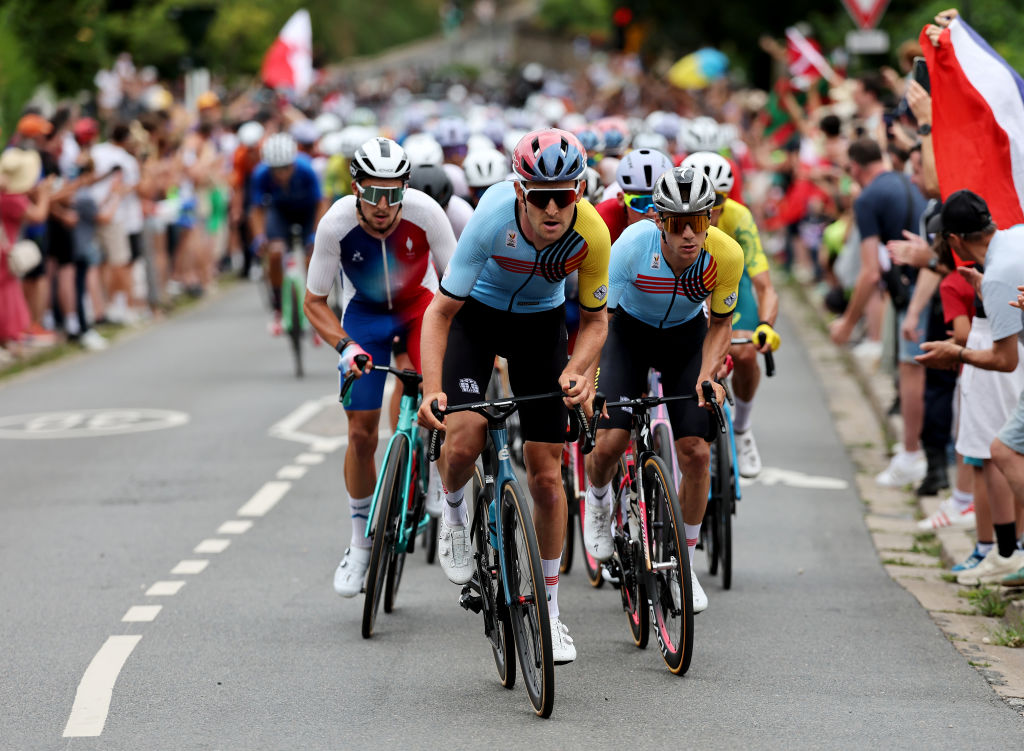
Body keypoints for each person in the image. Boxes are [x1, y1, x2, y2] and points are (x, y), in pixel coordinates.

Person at [418, 128, 611, 665]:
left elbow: (596, 322)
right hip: (476, 319)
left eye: (564, 196)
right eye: (540, 196)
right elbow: (439, 313)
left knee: (547, 475)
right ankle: (454, 515)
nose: (552, 208)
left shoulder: (592, 234)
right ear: (520, 191)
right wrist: (433, 389)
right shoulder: (492, 218)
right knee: (465, 437)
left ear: (578, 192)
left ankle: (549, 610)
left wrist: (578, 370)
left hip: (537, 327)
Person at [582, 166, 744, 615]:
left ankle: (685, 563)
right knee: (611, 440)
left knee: (695, 451)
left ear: (711, 219)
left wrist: (709, 375)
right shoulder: (631, 247)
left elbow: (721, 323)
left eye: (699, 222)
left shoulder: (726, 255)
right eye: (677, 224)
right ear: (658, 221)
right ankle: (597, 501)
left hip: (686, 340)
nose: (689, 235)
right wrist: (592, 383)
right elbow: (600, 321)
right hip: (627, 335)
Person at [303, 137, 457, 599]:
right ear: (356, 189)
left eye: (394, 193)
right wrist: (344, 347)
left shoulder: (427, 213)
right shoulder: (335, 225)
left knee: (440, 406)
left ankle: (445, 504)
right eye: (373, 193)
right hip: (365, 319)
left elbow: (456, 286)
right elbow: (313, 302)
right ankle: (360, 543)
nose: (384, 205)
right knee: (361, 434)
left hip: (420, 310)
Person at [916, 190, 1024, 584]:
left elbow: (1004, 359)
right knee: (1002, 450)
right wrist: (984, 288)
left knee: (1000, 451)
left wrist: (956, 354)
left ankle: (1008, 551)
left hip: (1004, 365)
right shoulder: (1015, 236)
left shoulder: (996, 274)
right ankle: (1008, 551)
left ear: (956, 241)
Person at [831, 137, 927, 488]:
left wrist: (847, 322)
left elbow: (870, 271)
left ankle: (911, 455)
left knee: (910, 369)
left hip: (916, 291)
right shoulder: (904, 179)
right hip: (932, 281)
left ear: (856, 167)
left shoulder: (869, 197)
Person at [682, 151, 780, 477]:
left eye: (719, 200)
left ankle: (742, 427)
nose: (712, 209)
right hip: (687, 287)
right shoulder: (677, 218)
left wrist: (765, 325)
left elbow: (764, 285)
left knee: (747, 352)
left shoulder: (739, 217)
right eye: (706, 200)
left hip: (728, 285)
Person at [250, 133, 328, 335]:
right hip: (280, 212)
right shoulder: (260, 175)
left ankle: (318, 305)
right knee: (275, 253)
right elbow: (256, 210)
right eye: (276, 169)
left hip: (307, 211)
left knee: (312, 257)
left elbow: (322, 203)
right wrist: (259, 237)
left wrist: (316, 234)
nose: (281, 173)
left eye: (286, 168)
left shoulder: (307, 169)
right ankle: (277, 307)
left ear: (293, 162)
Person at [594, 148, 674, 243]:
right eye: (640, 203)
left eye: (658, 203)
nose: (651, 212)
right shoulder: (603, 221)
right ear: (621, 199)